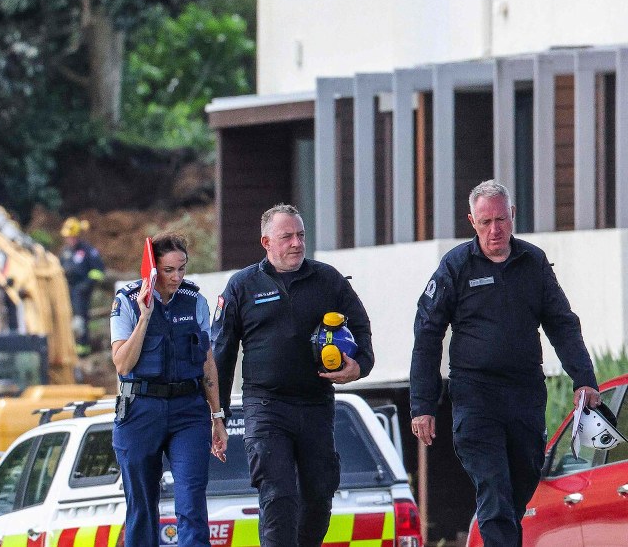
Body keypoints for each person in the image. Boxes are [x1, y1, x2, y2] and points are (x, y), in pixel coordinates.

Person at [410, 180, 599, 547]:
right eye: (485, 222)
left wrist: (583, 378)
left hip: (525, 392)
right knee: (494, 486)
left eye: (500, 219)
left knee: (522, 479)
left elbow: (561, 322)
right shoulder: (456, 266)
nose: (494, 229)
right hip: (474, 394)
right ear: (472, 222)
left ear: (512, 215)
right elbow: (427, 333)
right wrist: (422, 404)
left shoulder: (533, 262)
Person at [212, 204, 374, 547]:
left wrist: (360, 365)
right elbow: (221, 354)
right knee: (278, 494)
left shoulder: (327, 279)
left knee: (319, 494)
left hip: (315, 404)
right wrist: (217, 415)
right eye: (287, 237)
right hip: (266, 406)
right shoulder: (242, 286)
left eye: (300, 235)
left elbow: (360, 326)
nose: (297, 243)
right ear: (266, 242)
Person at [110, 233, 228, 547]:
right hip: (140, 410)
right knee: (142, 504)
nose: (176, 277)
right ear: (152, 270)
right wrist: (145, 316)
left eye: (181, 269)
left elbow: (207, 363)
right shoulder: (127, 300)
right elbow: (122, 364)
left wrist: (217, 416)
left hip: (188, 411)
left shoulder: (196, 301)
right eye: (168, 270)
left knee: (191, 499)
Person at [60, 217, 106, 354]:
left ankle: (82, 348)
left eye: (72, 237)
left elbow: (99, 270)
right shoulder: (65, 252)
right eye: (67, 237)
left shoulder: (88, 250)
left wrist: (87, 284)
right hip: (68, 288)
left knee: (81, 317)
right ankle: (69, 346)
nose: (69, 240)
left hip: (82, 289)